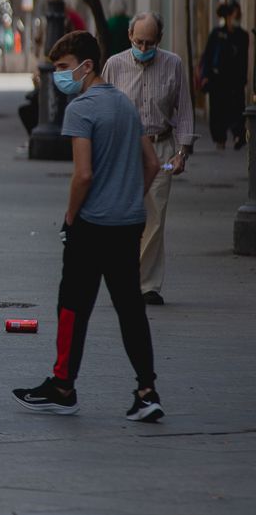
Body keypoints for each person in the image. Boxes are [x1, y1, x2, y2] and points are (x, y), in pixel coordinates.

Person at [12, 31, 164, 423]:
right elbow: (150, 164)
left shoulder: (81, 109)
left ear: (87, 65)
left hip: (91, 225)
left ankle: (63, 385)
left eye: (63, 68)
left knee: (72, 306)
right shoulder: (126, 105)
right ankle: (146, 390)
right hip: (128, 223)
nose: (59, 76)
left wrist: (70, 216)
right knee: (130, 307)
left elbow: (83, 174)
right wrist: (131, 196)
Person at [102, 12, 195, 306]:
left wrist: (183, 152)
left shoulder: (173, 64)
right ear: (130, 36)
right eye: (139, 42)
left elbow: (184, 112)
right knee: (126, 217)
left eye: (150, 43)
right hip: (125, 149)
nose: (143, 48)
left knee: (154, 217)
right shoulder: (114, 66)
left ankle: (146, 285)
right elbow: (103, 112)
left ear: (159, 40)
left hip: (161, 147)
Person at [200, 2, 249, 151]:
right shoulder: (217, 34)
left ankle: (238, 136)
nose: (237, 18)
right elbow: (207, 56)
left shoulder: (242, 36)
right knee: (218, 111)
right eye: (235, 15)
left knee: (237, 110)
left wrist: (243, 79)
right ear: (228, 16)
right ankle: (220, 139)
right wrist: (205, 76)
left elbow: (244, 60)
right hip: (217, 80)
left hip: (235, 81)